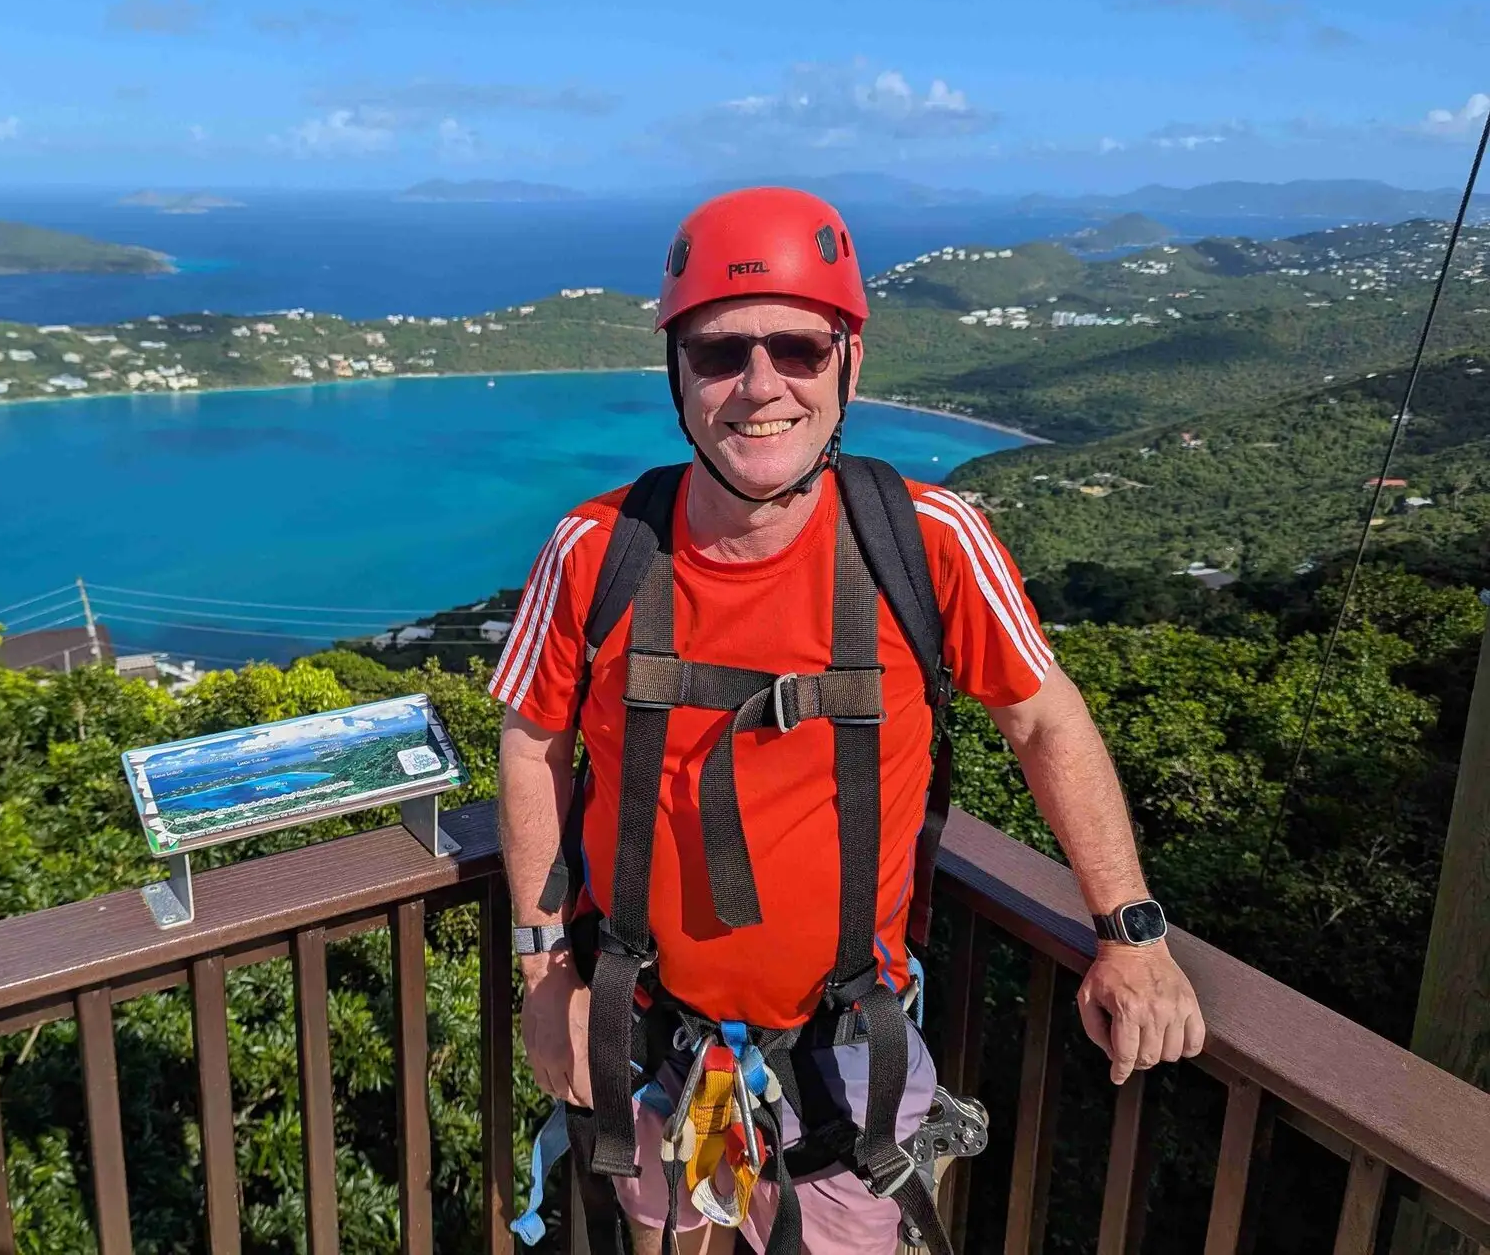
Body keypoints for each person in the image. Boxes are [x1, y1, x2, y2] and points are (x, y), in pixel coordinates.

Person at [489, 187, 1206, 1255]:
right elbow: (532, 741)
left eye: (799, 349)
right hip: (641, 1023)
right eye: (722, 353)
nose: (761, 387)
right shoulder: (596, 551)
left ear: (850, 364)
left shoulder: (924, 541)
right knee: (661, 1234)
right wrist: (546, 972)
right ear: (678, 377)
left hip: (845, 1043)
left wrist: (1130, 932)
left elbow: (1047, 723)